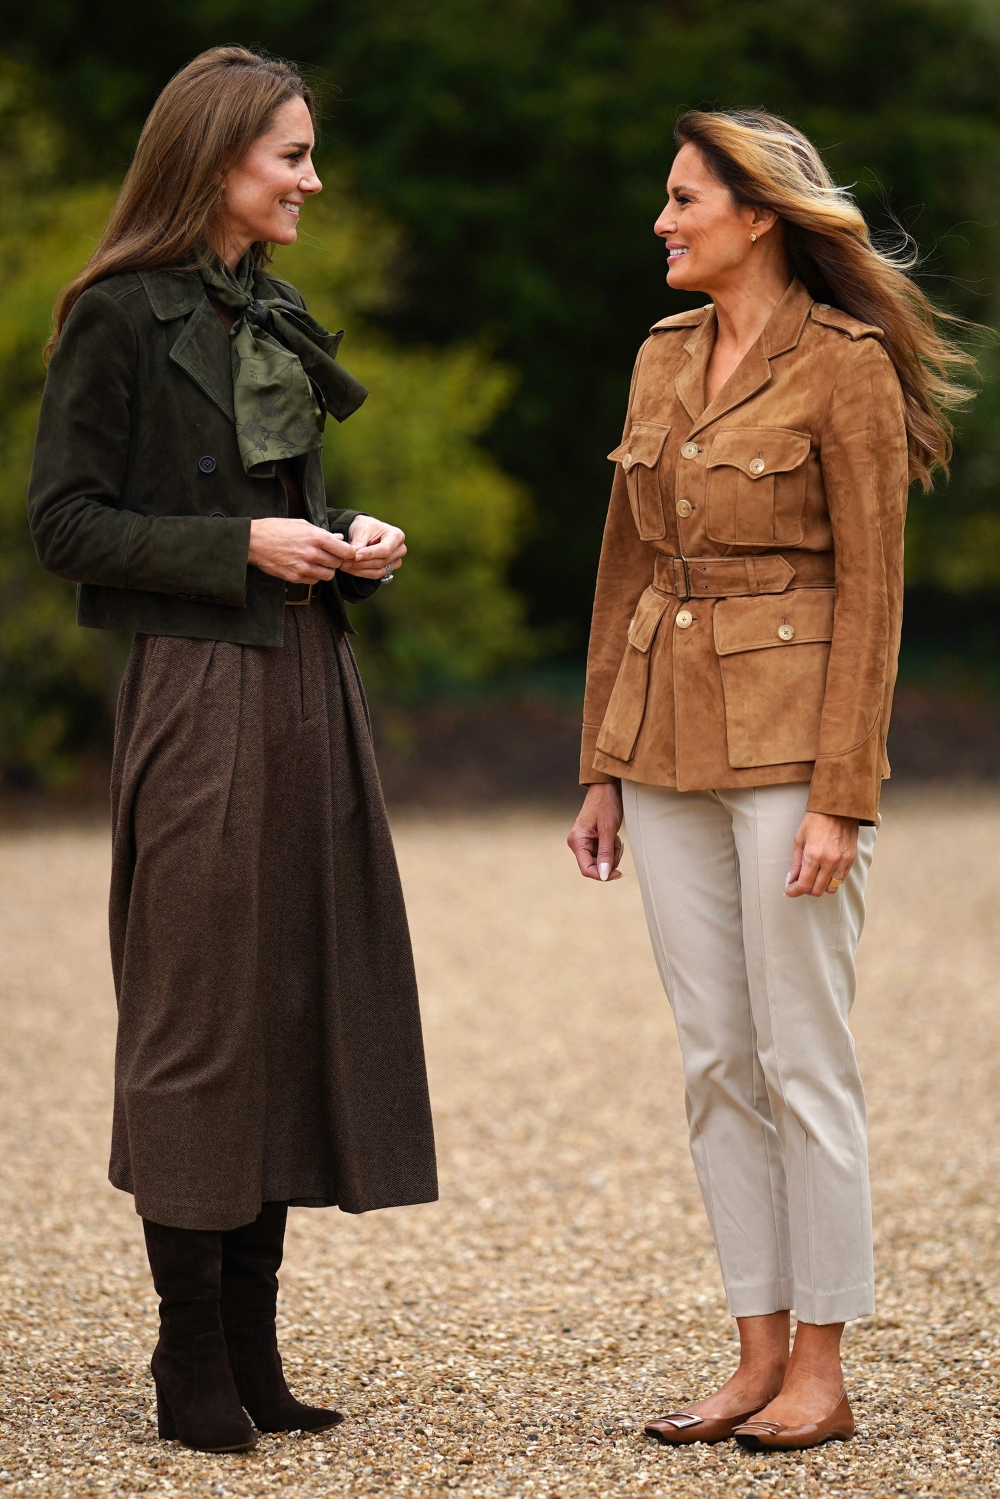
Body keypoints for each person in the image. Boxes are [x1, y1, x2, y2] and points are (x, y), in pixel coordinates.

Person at [28, 47, 437, 1454]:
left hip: (309, 682)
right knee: (201, 1012)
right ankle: (186, 1357)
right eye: (293, 157)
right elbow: (62, 525)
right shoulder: (119, 320)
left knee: (290, 993)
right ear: (216, 164)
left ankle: (256, 1352)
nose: (314, 179)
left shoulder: (280, 313)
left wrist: (351, 547)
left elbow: (281, 511)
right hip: (197, 688)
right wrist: (236, 546)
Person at [568, 109, 975, 1451]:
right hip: (666, 748)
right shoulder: (661, 356)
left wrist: (841, 794)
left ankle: (823, 1368)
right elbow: (627, 568)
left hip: (792, 748)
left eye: (683, 199)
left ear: (758, 214)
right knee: (715, 1063)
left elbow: (875, 591)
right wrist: (602, 766)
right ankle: (751, 1356)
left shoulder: (847, 366)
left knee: (805, 1060)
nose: (662, 222)